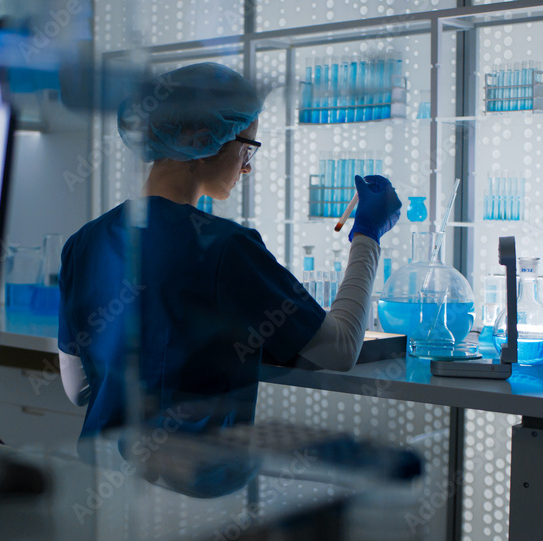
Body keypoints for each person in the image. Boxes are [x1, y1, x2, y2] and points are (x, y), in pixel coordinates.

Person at [58, 63, 401, 440]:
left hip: (98, 472)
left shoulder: (84, 241)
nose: (247, 168)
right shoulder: (225, 247)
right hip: (190, 484)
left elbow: (78, 390)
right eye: (247, 149)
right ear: (202, 142)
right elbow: (340, 350)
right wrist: (367, 235)